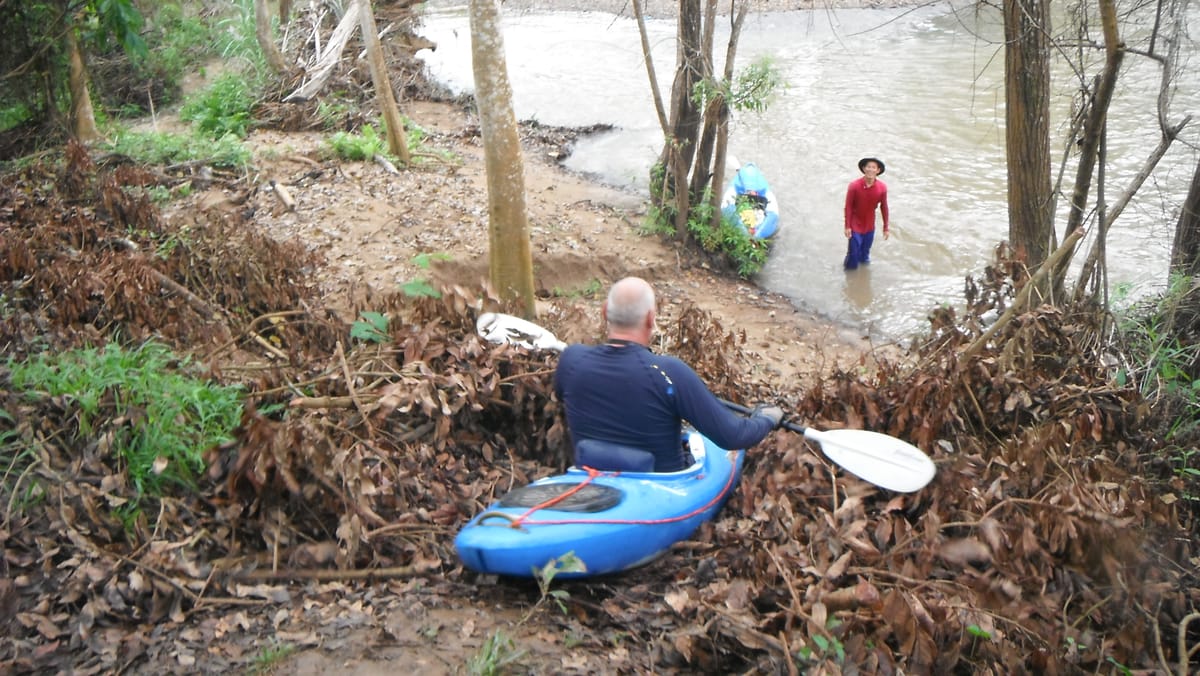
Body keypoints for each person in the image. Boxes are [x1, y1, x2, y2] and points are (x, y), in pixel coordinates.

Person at [553, 277, 784, 472]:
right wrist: (766, 419)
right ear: (651, 318)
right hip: (662, 488)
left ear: (604, 312)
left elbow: (568, 393)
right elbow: (733, 437)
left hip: (591, 478)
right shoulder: (668, 373)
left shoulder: (572, 361)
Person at [843, 157, 890, 270]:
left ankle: (864, 279)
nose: (870, 170)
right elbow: (848, 206)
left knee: (864, 257)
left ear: (878, 170)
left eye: (873, 167)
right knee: (853, 255)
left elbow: (884, 207)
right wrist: (847, 226)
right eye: (868, 167)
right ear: (864, 169)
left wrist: (886, 227)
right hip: (855, 225)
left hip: (869, 226)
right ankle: (849, 280)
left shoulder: (882, 188)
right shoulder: (854, 186)